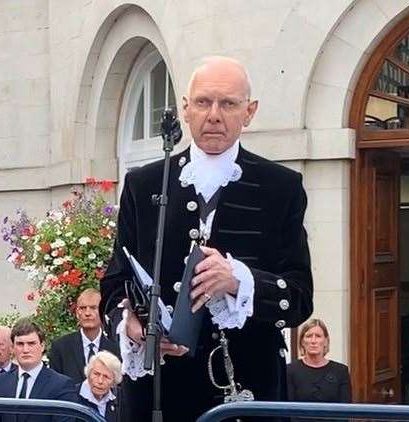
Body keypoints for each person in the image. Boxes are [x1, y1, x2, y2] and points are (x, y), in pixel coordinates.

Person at [100, 56, 313, 421]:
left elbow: (298, 298)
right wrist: (131, 325)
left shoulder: (281, 187)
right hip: (160, 396)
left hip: (248, 393)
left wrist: (238, 281)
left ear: (250, 112)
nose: (214, 115)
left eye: (228, 103)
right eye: (203, 102)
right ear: (185, 108)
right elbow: (114, 283)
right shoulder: (144, 184)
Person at [0, 318, 77, 422]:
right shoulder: (0, 382)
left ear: (42, 346)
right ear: (12, 348)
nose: (25, 350)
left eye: (31, 343)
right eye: (20, 344)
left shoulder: (61, 385)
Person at [287, 318, 351, 421]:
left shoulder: (340, 371)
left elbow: (345, 411)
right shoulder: (290, 370)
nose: (313, 341)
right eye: (308, 336)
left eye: (318, 336)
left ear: (326, 341)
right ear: (302, 342)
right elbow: (288, 411)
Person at [49, 289, 119, 383]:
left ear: (103, 311)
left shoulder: (117, 347)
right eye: (83, 308)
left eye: (93, 308)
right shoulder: (61, 347)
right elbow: (55, 385)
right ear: (77, 313)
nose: (87, 313)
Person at [77, 351, 122, 422]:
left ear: (114, 381)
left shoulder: (121, 398)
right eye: (96, 374)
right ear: (88, 373)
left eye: (106, 377)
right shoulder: (72, 394)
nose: (100, 381)